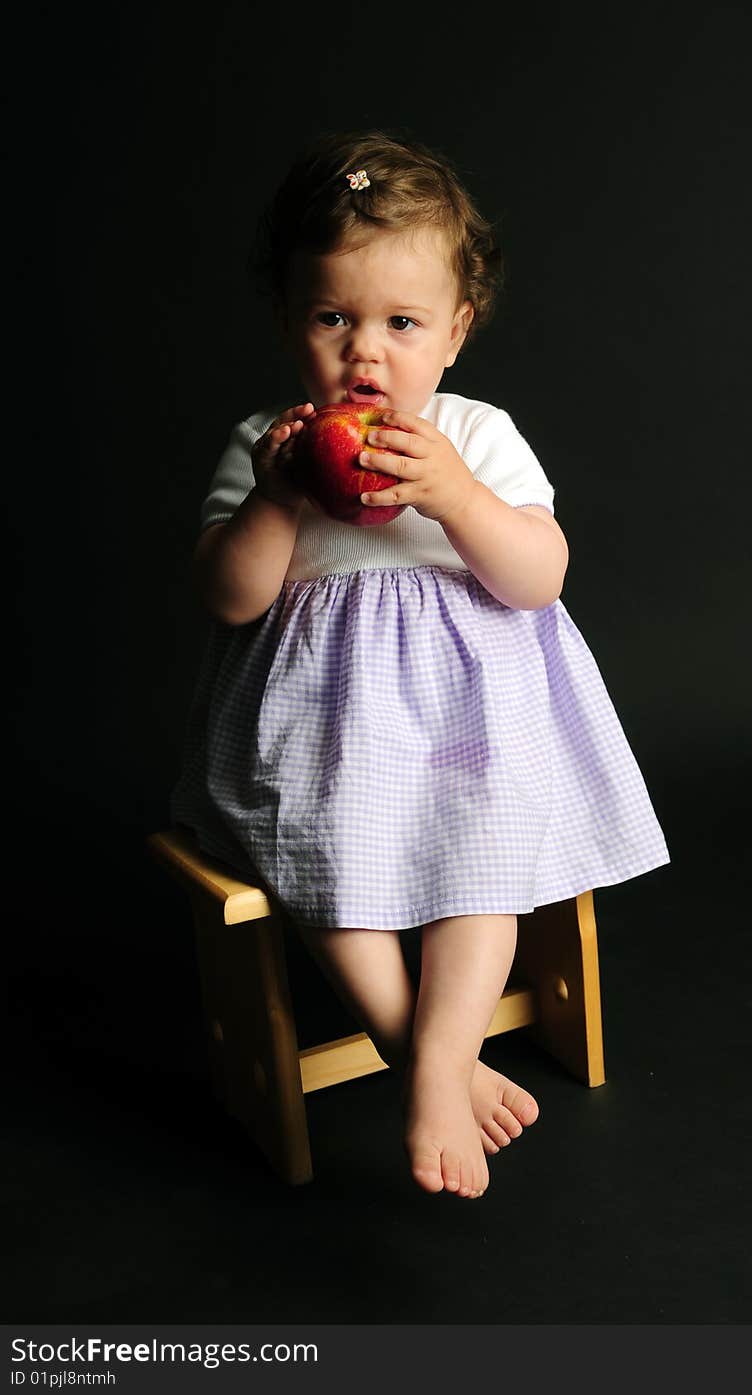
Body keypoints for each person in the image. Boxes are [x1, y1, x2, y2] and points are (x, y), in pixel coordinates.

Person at [171, 128, 670, 1201]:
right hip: (319, 739)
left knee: (481, 850)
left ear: (455, 331)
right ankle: (426, 1054)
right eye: (332, 318)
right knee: (315, 857)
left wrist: (453, 497)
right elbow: (229, 596)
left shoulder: (474, 437)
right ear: (288, 320)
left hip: (465, 732)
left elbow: (537, 577)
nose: (367, 354)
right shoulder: (268, 442)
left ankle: (435, 1062)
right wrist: (278, 495)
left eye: (401, 324)